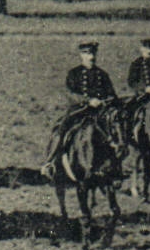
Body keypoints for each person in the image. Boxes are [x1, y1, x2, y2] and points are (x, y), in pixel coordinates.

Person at [41, 41, 118, 179]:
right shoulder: (74, 73)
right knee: (61, 129)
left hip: (99, 112)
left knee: (114, 132)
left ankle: (116, 167)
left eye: (92, 53)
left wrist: (104, 101)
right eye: (86, 53)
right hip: (80, 111)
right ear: (81, 55)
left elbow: (112, 95)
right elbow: (70, 93)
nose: (91, 57)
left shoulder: (102, 74)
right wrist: (88, 101)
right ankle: (50, 162)